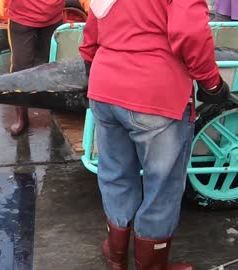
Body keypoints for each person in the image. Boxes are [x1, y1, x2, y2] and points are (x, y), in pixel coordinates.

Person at [79, 0, 230, 269]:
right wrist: (211, 83)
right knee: (163, 186)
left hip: (105, 87)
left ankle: (116, 256)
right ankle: (151, 264)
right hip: (156, 95)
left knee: (114, 173)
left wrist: (92, 61)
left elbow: (93, 23)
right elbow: (190, 32)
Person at [0, 0, 65, 136]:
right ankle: (22, 117)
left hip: (53, 16)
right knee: (21, 68)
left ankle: (56, 110)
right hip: (22, 17)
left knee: (54, 66)